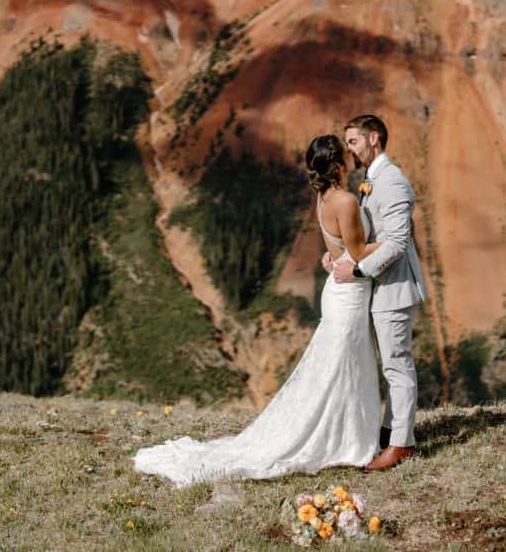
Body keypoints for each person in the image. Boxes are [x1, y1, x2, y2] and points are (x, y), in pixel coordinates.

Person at [133, 134, 383, 486]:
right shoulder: (344, 200)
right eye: (346, 154)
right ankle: (349, 441)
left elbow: (340, 248)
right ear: (338, 164)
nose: (351, 156)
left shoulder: (322, 197)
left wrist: (336, 257)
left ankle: (347, 438)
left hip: (339, 290)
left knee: (340, 368)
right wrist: (394, 241)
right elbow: (357, 252)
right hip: (350, 294)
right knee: (346, 366)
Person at [330, 114, 427, 471]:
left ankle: (402, 445)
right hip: (381, 287)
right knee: (389, 364)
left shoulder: (393, 181)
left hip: (396, 288)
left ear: (373, 138)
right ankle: (391, 429)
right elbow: (370, 236)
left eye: (353, 141)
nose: (349, 150)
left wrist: (356, 269)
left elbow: (399, 242)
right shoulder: (372, 179)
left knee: (397, 365)